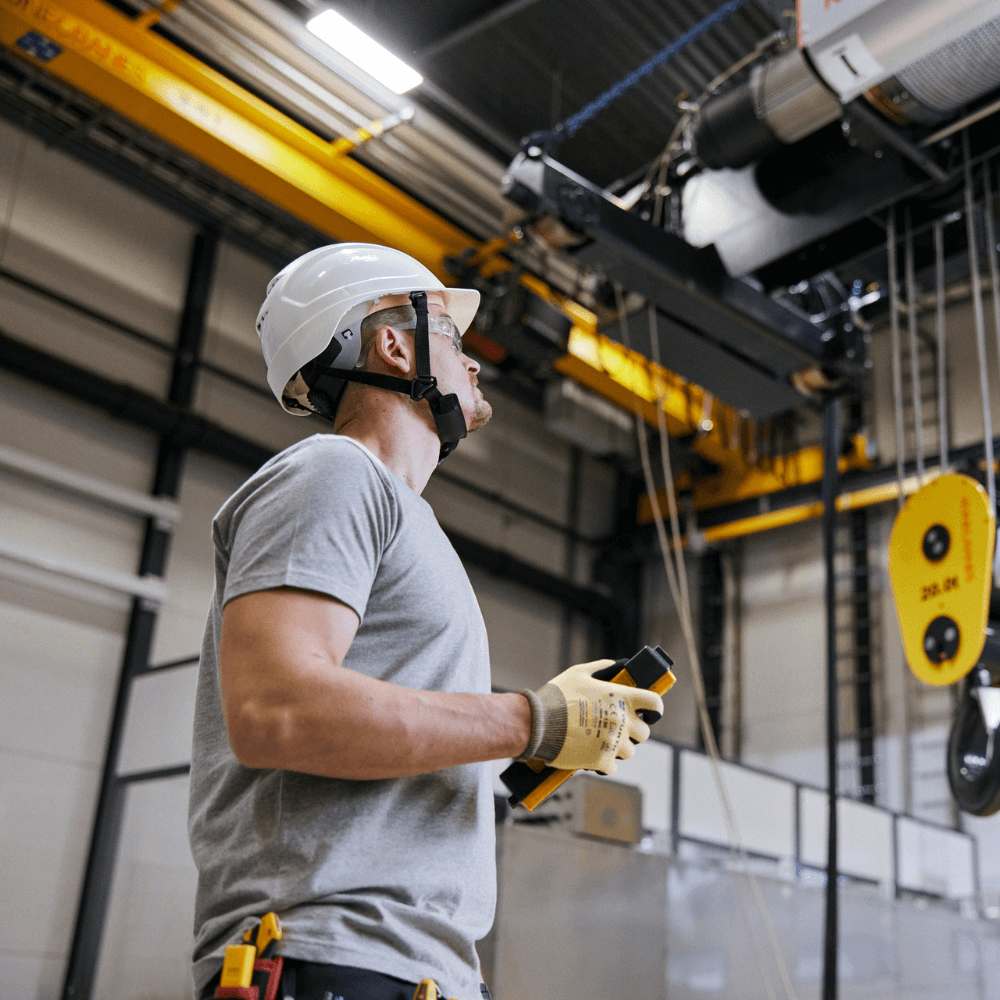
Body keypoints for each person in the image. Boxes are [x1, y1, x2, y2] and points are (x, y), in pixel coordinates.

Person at [187, 243, 663, 1000]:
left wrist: (544, 740)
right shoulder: (334, 473)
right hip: (328, 953)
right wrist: (532, 720)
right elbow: (275, 711)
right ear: (393, 342)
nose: (475, 364)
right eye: (452, 336)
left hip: (407, 969)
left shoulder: (409, 523)